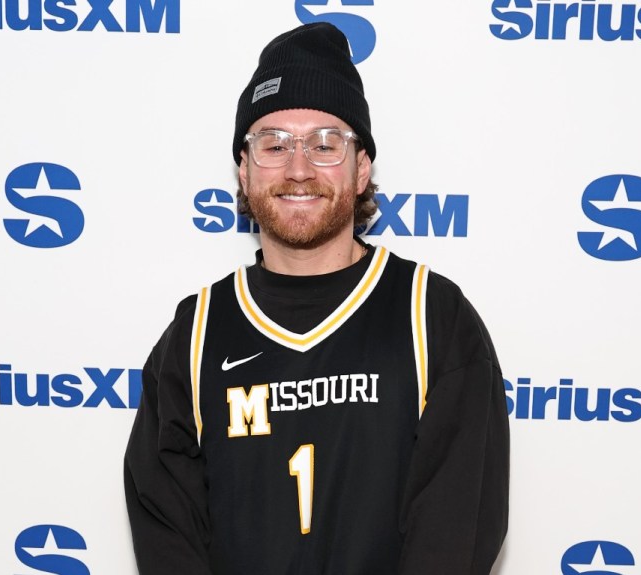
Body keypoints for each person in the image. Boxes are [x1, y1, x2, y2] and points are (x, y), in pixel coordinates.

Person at [124, 22, 509, 575]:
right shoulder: (196, 333)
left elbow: (456, 531)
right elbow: (166, 532)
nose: (298, 168)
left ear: (361, 169)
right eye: (274, 144)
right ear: (244, 169)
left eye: (326, 144)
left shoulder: (433, 316)